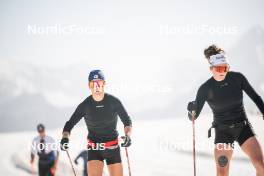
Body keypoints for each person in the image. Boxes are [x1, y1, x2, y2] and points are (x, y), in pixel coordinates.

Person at [187, 45, 264, 176]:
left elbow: (256, 97)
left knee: (261, 167)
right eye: (219, 68)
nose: (223, 71)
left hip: (243, 128)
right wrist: (191, 111)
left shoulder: (237, 78)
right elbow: (193, 116)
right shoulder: (205, 88)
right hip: (223, 132)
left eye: (226, 67)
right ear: (211, 69)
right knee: (222, 173)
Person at [60, 69, 132, 176]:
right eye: (93, 84)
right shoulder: (85, 105)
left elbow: (127, 121)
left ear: (104, 84)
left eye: (99, 83)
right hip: (94, 149)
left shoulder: (113, 102)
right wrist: (65, 137)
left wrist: (128, 135)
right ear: (89, 86)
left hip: (113, 148)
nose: (96, 86)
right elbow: (69, 124)